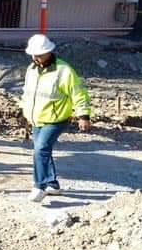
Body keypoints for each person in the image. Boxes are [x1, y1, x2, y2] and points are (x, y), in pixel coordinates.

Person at [21, 34, 92, 203]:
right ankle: (53, 184)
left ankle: (40, 186)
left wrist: (83, 116)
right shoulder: (31, 70)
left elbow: (79, 93)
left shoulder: (64, 71)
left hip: (56, 119)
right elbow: (28, 94)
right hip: (37, 118)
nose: (35, 58)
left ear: (49, 52)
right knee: (43, 150)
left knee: (40, 149)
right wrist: (23, 113)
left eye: (39, 54)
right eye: (33, 55)